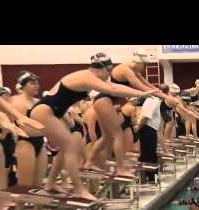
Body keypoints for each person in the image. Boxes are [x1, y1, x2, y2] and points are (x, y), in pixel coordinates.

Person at [29, 52, 159, 201]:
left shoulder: (93, 77)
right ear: (100, 69)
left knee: (67, 147)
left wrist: (144, 92)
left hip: (53, 112)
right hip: (44, 111)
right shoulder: (87, 77)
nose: (109, 75)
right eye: (108, 71)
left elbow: (114, 85)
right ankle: (79, 189)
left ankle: (50, 184)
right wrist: (143, 93)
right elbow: (113, 90)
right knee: (70, 145)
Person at [84, 51, 167, 177]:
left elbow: (147, 85)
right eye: (144, 65)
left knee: (106, 136)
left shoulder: (134, 71)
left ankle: (89, 163)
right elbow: (141, 87)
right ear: (138, 62)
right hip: (105, 99)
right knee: (118, 134)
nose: (145, 69)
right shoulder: (126, 70)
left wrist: (164, 95)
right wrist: (159, 95)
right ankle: (121, 169)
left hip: (105, 100)